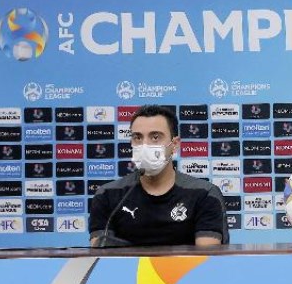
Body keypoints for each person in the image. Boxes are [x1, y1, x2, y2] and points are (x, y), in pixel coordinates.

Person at [89, 105, 228, 246]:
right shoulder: (107, 195)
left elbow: (207, 256)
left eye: (155, 137)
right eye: (138, 137)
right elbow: (101, 252)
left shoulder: (204, 194)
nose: (145, 145)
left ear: (174, 145)